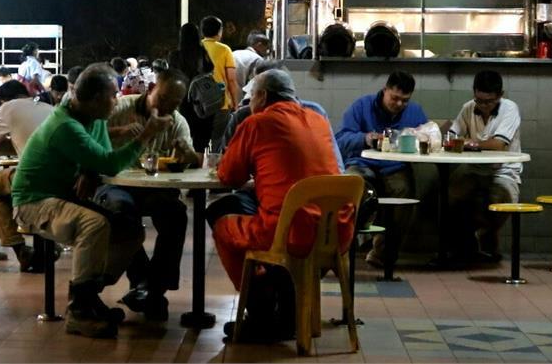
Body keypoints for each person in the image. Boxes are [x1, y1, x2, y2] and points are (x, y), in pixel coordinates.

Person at [12, 63, 171, 338]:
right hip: (34, 202)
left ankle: (87, 294)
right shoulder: (65, 126)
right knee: (94, 224)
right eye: (112, 95)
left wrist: (89, 170)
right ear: (97, 98)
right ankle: (80, 311)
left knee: (130, 231)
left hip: (62, 197)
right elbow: (110, 163)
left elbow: (100, 157)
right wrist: (147, 134)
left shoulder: (92, 118)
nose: (117, 100)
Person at [207, 69, 342, 341]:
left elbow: (228, 176)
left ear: (263, 96)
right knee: (246, 207)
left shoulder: (257, 123)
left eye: (252, 97)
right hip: (333, 230)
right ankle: (287, 309)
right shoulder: (318, 120)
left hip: (290, 232)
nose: (249, 103)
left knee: (222, 223)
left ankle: (261, 313)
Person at [100, 69, 199, 321]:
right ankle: (144, 281)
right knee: (120, 210)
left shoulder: (177, 122)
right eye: (163, 99)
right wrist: (120, 131)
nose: (167, 107)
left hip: (155, 187)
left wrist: (187, 154)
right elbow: (90, 136)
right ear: (152, 88)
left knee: (175, 213)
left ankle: (154, 288)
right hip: (116, 182)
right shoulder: (120, 108)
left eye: (175, 103)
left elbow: (192, 160)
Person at [335, 71, 428, 267]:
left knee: (404, 192)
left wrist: (423, 137)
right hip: (361, 163)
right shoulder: (362, 106)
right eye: (395, 98)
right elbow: (340, 140)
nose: (399, 104)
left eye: (405, 100)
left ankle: (383, 252)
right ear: (385, 90)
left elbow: (427, 135)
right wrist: (366, 138)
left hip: (394, 166)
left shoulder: (415, 112)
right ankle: (344, 249)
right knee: (352, 188)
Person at [447, 70, 522, 262]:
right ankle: (465, 247)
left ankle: (486, 238)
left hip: (504, 170)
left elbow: (498, 144)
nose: (483, 106)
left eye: (489, 102)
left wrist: (469, 143)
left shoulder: (510, 109)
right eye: (479, 100)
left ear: (500, 95)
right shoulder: (468, 108)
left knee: (499, 201)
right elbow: (452, 136)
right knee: (452, 196)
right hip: (475, 170)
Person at [0, 80, 54, 271]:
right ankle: (47, 246)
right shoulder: (49, 108)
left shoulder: (8, 107)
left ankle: (18, 247)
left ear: (3, 100)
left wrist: (17, 145)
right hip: (62, 177)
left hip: (33, 177)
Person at [167, 22, 215, 154]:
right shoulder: (202, 52)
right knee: (201, 137)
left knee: (184, 131)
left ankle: (184, 158)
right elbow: (211, 69)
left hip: (182, 97)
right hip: (201, 97)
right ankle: (198, 160)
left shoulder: (174, 55)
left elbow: (172, 74)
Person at [200, 16, 240, 152]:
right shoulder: (224, 50)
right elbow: (231, 79)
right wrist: (235, 102)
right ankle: (215, 162)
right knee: (218, 140)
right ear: (219, 31)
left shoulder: (197, 48)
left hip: (199, 103)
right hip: (221, 102)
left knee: (199, 140)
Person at [232, 30, 270, 99]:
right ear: (259, 45)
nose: (266, 52)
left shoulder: (235, 53)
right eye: (266, 48)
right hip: (239, 97)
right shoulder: (257, 59)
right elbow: (255, 85)